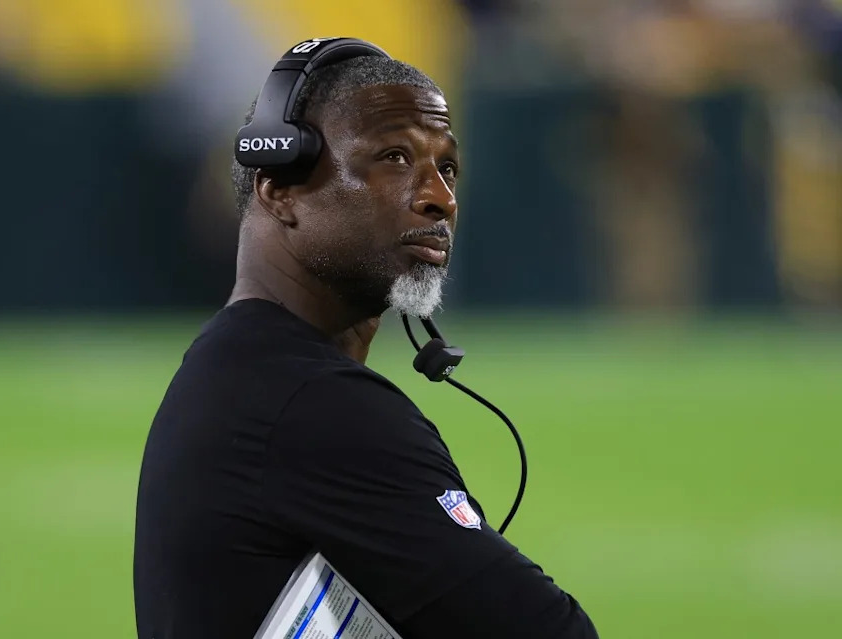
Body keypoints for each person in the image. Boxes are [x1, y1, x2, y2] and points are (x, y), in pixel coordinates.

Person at [133, 42, 599, 638]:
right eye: (396, 158)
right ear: (279, 188)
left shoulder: (239, 370)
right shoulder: (313, 405)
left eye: (447, 167)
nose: (440, 198)